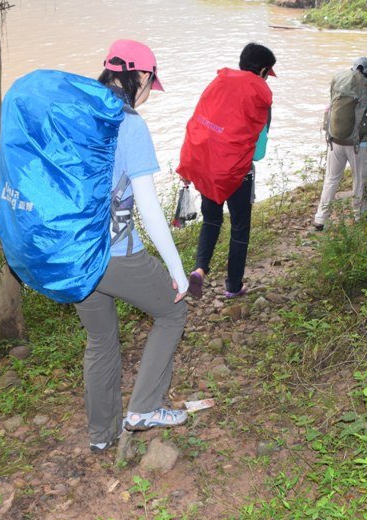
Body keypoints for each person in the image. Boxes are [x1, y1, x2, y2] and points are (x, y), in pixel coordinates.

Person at [78, 40, 191, 452]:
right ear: (139, 76)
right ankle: (144, 407)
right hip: (117, 254)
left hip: (77, 255)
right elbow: (149, 208)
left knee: (101, 339)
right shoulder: (129, 123)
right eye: (149, 83)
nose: (147, 94)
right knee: (173, 310)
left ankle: (101, 436)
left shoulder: (79, 114)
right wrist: (177, 271)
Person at [177, 43, 276, 299]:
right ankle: (233, 286)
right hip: (238, 173)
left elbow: (199, 121)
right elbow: (258, 153)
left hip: (208, 166)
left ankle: (199, 270)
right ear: (264, 71)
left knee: (211, 221)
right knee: (240, 227)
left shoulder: (218, 85)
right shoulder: (260, 98)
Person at [313, 56, 367, 231]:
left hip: (335, 141)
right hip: (358, 145)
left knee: (331, 180)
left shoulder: (340, 87)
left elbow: (329, 110)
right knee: (360, 180)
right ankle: (361, 214)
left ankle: (321, 219)